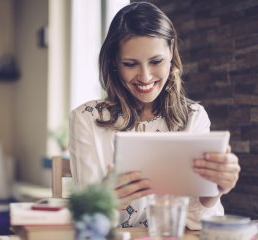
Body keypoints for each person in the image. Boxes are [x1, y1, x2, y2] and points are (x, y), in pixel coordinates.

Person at [69, 1, 240, 230]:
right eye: (130, 64)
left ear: (171, 52)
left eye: (156, 61)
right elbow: (86, 223)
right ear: (113, 63)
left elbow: (199, 224)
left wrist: (214, 193)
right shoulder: (86, 119)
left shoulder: (194, 117)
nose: (145, 76)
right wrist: (104, 201)